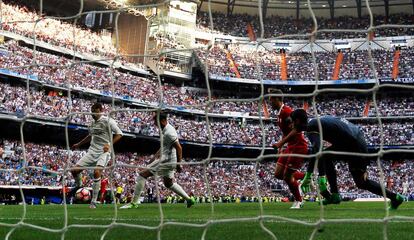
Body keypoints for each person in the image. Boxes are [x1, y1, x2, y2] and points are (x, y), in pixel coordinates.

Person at [291, 109, 405, 209]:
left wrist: (310, 175)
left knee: (362, 182)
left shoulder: (311, 128)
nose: (291, 125)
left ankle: (395, 197)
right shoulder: (316, 122)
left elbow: (317, 149)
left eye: (292, 122)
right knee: (326, 156)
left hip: (353, 144)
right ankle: (335, 194)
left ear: (297, 121)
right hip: (354, 139)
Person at [121, 113, 195, 209]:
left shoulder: (169, 132)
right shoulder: (165, 130)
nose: (155, 124)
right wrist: (154, 157)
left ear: (162, 120)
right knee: (168, 183)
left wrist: (178, 164)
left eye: (156, 122)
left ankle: (134, 203)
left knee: (142, 174)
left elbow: (179, 148)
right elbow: (164, 146)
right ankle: (189, 200)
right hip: (168, 160)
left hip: (167, 161)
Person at [70, 103, 123, 209]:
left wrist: (109, 144)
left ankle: (93, 201)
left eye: (94, 110)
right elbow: (90, 136)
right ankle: (79, 185)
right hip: (92, 151)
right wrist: (78, 144)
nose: (92, 113)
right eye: (91, 110)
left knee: (97, 172)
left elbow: (119, 134)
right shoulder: (91, 124)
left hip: (104, 152)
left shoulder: (108, 121)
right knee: (74, 171)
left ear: (100, 110)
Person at [268, 89, 308, 209]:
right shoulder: (280, 113)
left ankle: (299, 200)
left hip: (298, 146)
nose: (269, 102)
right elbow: (287, 132)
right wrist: (283, 146)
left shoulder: (287, 112)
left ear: (276, 99)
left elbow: (296, 130)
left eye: (271, 99)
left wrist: (280, 144)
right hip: (290, 146)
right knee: (278, 174)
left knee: (286, 176)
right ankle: (305, 176)